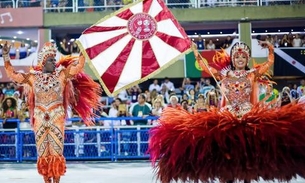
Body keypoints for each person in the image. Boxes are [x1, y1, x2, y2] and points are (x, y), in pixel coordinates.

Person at [149, 41, 305, 183]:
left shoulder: (252, 74)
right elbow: (205, 67)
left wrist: (270, 50)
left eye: (243, 57)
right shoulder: (224, 75)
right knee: (225, 153)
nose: (240, 59)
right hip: (226, 116)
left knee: (246, 153)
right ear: (233, 59)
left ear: (247, 59)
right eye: (237, 57)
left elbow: (269, 63)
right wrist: (196, 53)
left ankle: (246, 177)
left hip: (247, 116)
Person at [1, 42, 101, 183]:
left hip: (57, 117)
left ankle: (57, 181)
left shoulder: (62, 75)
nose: (54, 62)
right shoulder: (32, 77)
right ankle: (47, 181)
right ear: (43, 63)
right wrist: (6, 56)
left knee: (56, 152)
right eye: (51, 60)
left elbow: (78, 66)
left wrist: (82, 51)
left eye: (54, 59)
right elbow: (13, 75)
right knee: (43, 152)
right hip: (40, 119)